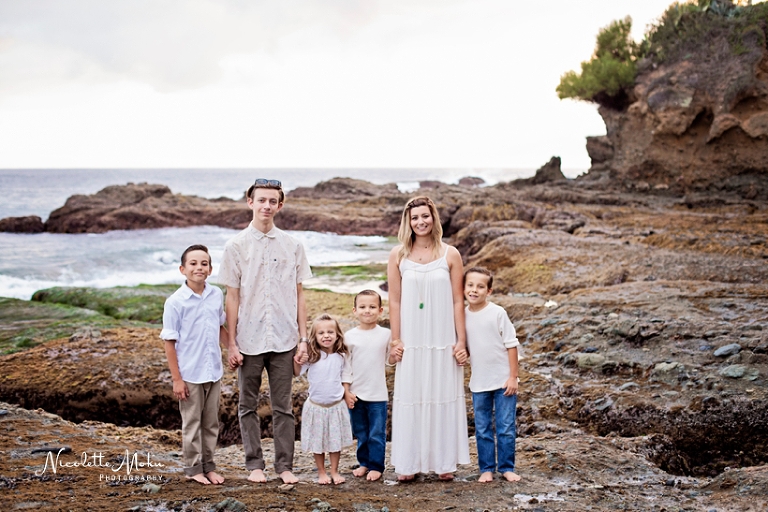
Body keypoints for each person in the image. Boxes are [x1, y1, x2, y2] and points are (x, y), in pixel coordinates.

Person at [218, 178, 312, 484]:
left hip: (285, 339)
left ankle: (285, 466)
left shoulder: (293, 246)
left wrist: (302, 339)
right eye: (261, 200)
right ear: (250, 202)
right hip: (248, 339)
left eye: (273, 201)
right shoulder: (235, 246)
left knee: (283, 407)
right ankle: (254, 465)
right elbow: (232, 297)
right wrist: (231, 343)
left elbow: (300, 295)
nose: (267, 206)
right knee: (247, 406)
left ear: (280, 206)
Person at [387, 196, 470, 481]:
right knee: (412, 394)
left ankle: (444, 462)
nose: (420, 222)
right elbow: (394, 302)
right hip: (411, 337)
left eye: (425, 216)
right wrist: (395, 340)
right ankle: (409, 463)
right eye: (415, 218)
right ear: (407, 222)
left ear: (433, 218)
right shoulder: (398, 255)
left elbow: (459, 301)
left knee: (442, 393)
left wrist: (461, 341)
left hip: (442, 336)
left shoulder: (450, 254)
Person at [160, 244, 228, 485]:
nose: (199, 267)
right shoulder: (175, 302)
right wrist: (177, 379)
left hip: (213, 371)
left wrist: (234, 349)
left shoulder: (216, 294)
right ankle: (193, 469)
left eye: (204, 264)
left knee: (211, 423)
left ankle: (209, 467)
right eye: (193, 263)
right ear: (182, 269)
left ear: (210, 269)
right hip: (189, 373)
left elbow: (220, 327)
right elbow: (169, 342)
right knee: (192, 423)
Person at [464, 267, 521, 483]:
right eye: (470, 285)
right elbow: (467, 345)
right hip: (479, 382)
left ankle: (507, 467)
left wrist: (513, 377)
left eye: (480, 286)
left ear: (489, 291)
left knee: (505, 427)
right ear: (463, 287)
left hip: (503, 381)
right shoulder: (461, 315)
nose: (474, 290)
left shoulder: (497, 313)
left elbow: (511, 344)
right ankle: (486, 468)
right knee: (482, 428)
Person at [294, 314, 354, 485]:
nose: (326, 336)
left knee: (335, 443)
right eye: (321, 333)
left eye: (330, 332)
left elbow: (345, 376)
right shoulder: (312, 356)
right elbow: (297, 371)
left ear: (337, 335)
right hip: (316, 407)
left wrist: (347, 394)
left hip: (336, 406)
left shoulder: (341, 356)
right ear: (314, 336)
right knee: (317, 442)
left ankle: (334, 471)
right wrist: (297, 359)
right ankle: (321, 472)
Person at [342, 289, 391, 482]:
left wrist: (396, 353)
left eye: (372, 307)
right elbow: (345, 366)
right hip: (356, 394)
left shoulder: (386, 334)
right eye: (362, 307)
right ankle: (364, 463)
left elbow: (390, 360)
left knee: (377, 433)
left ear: (380, 310)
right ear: (354, 310)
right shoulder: (349, 336)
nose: (367, 311)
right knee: (361, 433)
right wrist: (346, 391)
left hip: (378, 394)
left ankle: (376, 466)